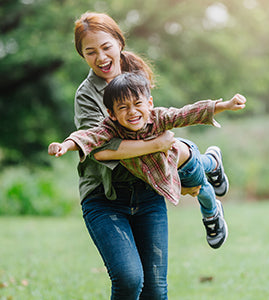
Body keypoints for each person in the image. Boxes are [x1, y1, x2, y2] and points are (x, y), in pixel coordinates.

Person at [49, 11, 232, 299]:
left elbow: (173, 115)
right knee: (129, 279)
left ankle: (209, 170)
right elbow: (100, 149)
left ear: (119, 43)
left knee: (156, 290)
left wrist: (217, 107)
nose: (100, 57)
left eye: (106, 47)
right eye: (90, 52)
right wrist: (157, 145)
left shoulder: (136, 75)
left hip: (147, 191)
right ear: (82, 55)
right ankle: (209, 170)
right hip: (106, 197)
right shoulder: (87, 95)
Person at [49, 72, 246, 249]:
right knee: (203, 172)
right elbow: (88, 136)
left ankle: (212, 213)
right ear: (111, 113)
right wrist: (65, 145)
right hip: (167, 167)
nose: (132, 112)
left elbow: (187, 113)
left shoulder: (159, 117)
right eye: (123, 107)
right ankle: (213, 161)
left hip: (182, 162)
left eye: (137, 104)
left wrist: (224, 105)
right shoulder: (110, 129)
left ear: (149, 103)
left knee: (201, 188)